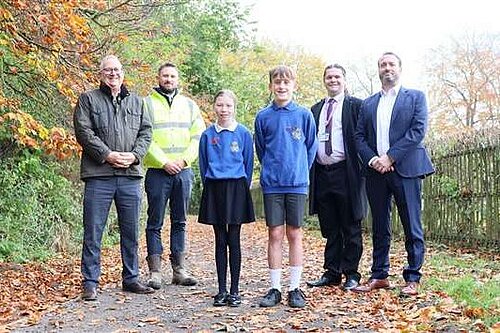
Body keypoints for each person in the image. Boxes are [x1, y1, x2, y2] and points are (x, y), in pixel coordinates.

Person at [353, 52, 434, 296]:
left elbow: (417, 131)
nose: (387, 68)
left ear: (400, 68)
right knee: (379, 225)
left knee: (411, 224)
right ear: (378, 70)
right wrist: (374, 159)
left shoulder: (415, 97)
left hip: (405, 169)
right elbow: (359, 137)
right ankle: (379, 275)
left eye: (391, 64)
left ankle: (413, 277)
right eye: (382, 64)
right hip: (376, 172)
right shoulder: (368, 104)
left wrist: (391, 157)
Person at [74, 54, 154, 301]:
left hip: (130, 175)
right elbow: (83, 132)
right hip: (99, 175)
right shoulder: (88, 99)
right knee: (94, 230)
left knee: (130, 230)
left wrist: (135, 156)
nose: (113, 74)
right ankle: (90, 282)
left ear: (123, 73)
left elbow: (146, 132)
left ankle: (131, 278)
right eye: (108, 70)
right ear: (101, 73)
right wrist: (107, 155)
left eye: (117, 69)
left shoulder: (138, 102)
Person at [254, 65, 318, 308]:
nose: (281, 86)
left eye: (286, 82)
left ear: (294, 85)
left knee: (294, 233)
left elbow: (310, 147)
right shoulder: (263, 117)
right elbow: (261, 149)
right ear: (271, 86)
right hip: (272, 184)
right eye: (277, 82)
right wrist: (273, 169)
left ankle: (294, 287)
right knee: (275, 233)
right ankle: (275, 287)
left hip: (297, 183)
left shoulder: (304, 115)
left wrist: (299, 169)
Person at [143, 62, 206, 289]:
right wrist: (164, 162)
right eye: (165, 76)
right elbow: (144, 138)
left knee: (180, 221)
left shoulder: (189, 106)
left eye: (172, 76)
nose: (169, 79)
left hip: (183, 171)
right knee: (155, 222)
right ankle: (155, 272)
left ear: (177, 79)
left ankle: (179, 270)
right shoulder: (146, 104)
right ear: (158, 78)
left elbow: (198, 136)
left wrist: (183, 160)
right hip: (157, 172)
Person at [307, 64, 367, 291]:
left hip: (347, 173)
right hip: (322, 173)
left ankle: (352, 272)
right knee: (330, 226)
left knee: (351, 224)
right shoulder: (315, 109)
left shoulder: (356, 106)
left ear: (344, 80)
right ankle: (332, 272)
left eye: (337, 77)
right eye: (329, 77)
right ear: (324, 80)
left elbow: (363, 138)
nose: (333, 80)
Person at [198, 90, 255, 307]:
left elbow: (248, 164)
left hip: (237, 187)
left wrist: (241, 186)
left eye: (228, 106)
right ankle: (221, 290)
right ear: (215, 107)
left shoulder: (243, 133)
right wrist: (212, 184)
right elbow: (203, 164)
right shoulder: (207, 135)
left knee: (234, 239)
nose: (224, 110)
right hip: (215, 187)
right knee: (220, 239)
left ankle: (235, 290)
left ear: (234, 108)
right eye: (220, 105)